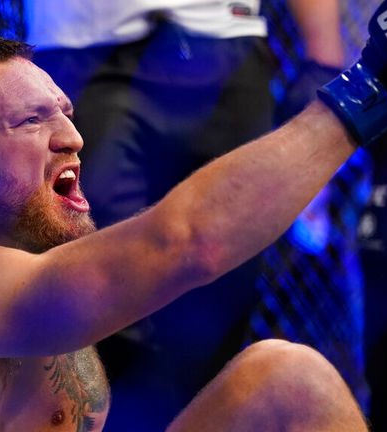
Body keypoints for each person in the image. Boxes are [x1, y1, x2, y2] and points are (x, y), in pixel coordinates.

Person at [0, 0, 387, 429]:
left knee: (285, 378)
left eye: (65, 115)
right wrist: (375, 83)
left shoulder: (30, 277)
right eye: (30, 121)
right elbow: (186, 243)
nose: (72, 137)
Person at [24, 3, 348, 427]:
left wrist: (324, 58)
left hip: (225, 40)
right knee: (102, 281)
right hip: (83, 44)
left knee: (222, 296)